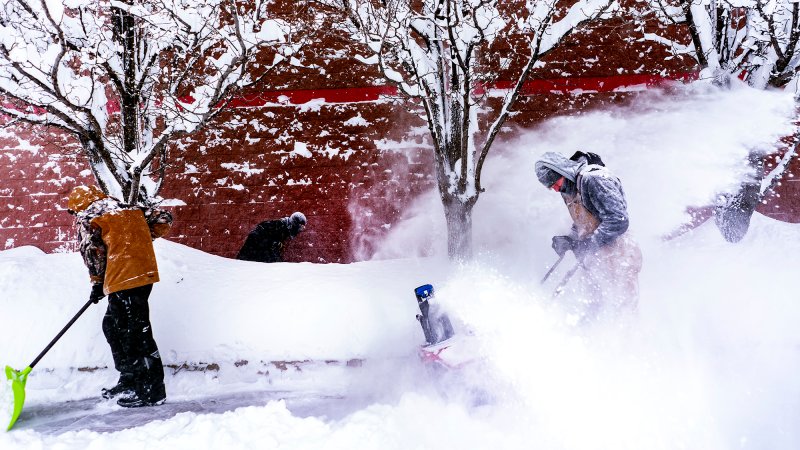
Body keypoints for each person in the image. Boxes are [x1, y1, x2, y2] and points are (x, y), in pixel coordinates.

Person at [67, 185, 173, 408]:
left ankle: (151, 391)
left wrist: (97, 282)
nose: (76, 216)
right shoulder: (126, 208)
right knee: (113, 326)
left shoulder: (90, 216)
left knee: (134, 334)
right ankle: (130, 379)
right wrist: (135, 240)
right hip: (143, 274)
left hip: (124, 278)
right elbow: (164, 219)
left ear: (78, 206)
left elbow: (93, 251)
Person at [534, 151, 642, 319]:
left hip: (618, 253)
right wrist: (570, 240)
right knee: (591, 303)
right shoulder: (570, 190)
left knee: (622, 307)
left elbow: (618, 220)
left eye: (554, 182)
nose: (554, 188)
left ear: (562, 171)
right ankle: (591, 339)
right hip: (595, 256)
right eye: (549, 186)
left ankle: (628, 342)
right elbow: (585, 220)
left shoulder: (593, 179)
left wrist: (589, 243)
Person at [236, 212, 307, 263]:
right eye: (300, 227)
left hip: (252, 259)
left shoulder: (283, 229)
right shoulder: (278, 226)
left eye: (302, 228)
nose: (300, 230)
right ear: (294, 223)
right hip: (249, 258)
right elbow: (256, 236)